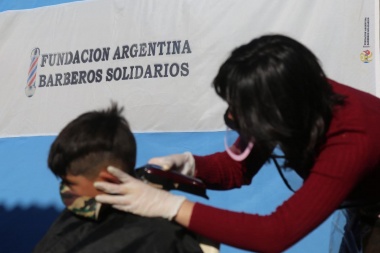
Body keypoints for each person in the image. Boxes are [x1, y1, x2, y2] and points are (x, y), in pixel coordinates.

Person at [94, 35, 380, 253]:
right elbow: (237, 169)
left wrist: (167, 206)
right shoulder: (293, 95)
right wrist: (192, 165)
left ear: (278, 110)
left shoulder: (352, 139)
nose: (231, 115)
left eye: (239, 108)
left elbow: (276, 233)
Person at [33, 104, 206, 253]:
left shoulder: (161, 237)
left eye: (70, 183)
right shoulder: (79, 215)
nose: (65, 190)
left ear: (107, 180)